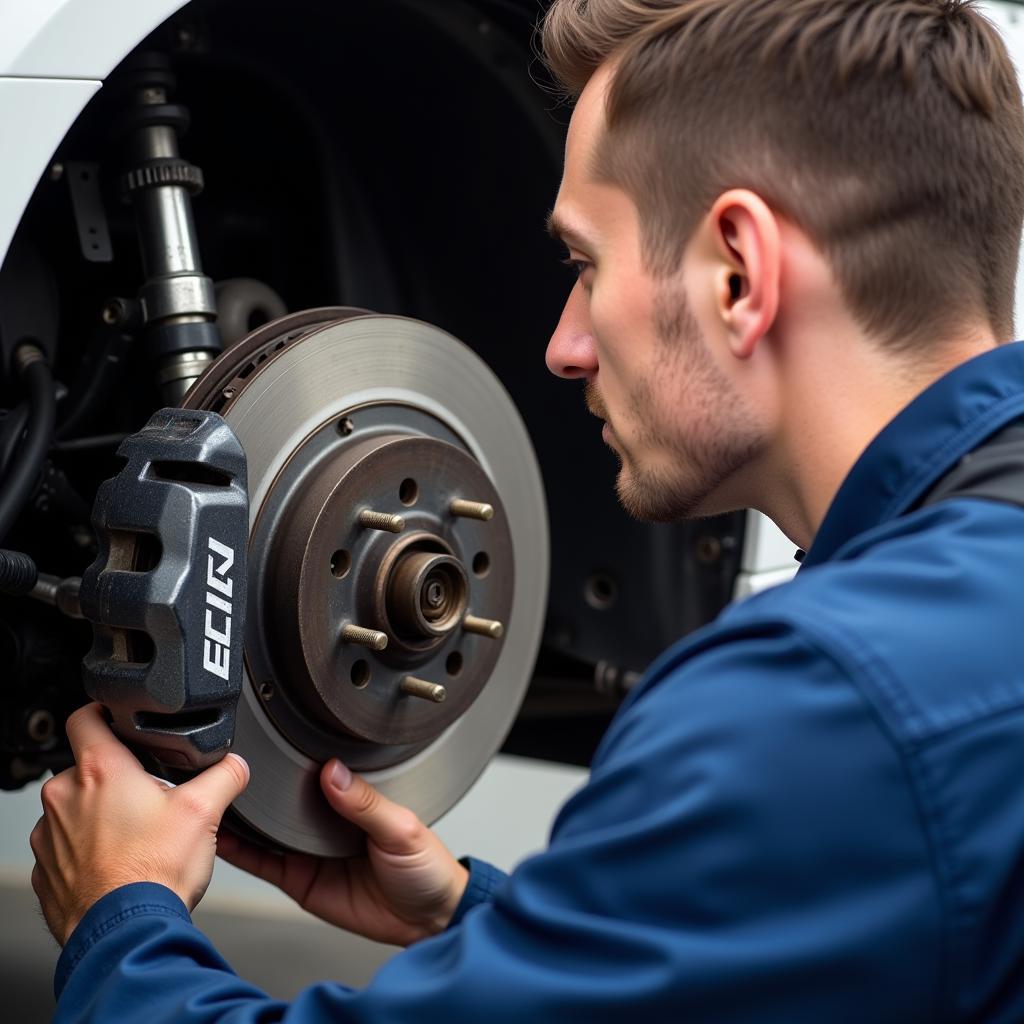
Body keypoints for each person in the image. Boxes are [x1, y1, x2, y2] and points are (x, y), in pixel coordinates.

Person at [30, 1, 1024, 1020]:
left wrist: (122, 912)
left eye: (585, 268)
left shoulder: (819, 704)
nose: (563, 346)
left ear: (738, 272)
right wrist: (482, 920)